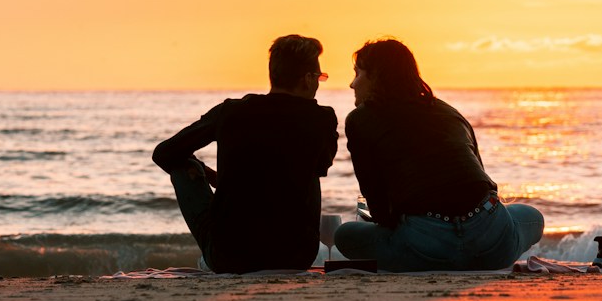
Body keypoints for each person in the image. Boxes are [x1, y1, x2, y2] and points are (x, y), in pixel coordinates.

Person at [334, 38, 545, 271]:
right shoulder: (449, 112)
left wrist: (400, 224)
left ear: (375, 76)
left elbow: (377, 203)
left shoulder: (360, 119)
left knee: (345, 234)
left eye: (357, 73)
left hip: (424, 249)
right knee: (531, 216)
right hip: (491, 244)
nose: (352, 84)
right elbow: (482, 183)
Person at [152, 35, 339, 273]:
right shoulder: (322, 118)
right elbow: (320, 165)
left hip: (230, 257)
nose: (319, 83)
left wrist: (203, 172)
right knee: (310, 169)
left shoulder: (231, 112)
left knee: (180, 163)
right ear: (307, 79)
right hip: (296, 255)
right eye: (319, 77)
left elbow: (164, 153)